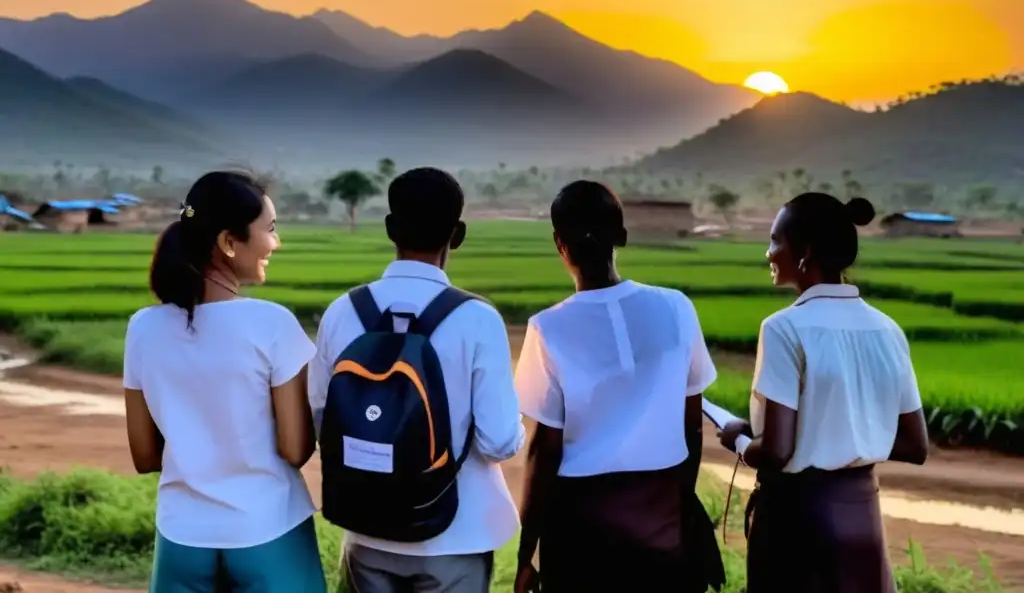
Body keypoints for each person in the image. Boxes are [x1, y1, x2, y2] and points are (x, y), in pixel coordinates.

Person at [308, 166, 524, 593]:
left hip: (366, 530)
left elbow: (321, 419)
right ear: (457, 235)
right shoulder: (477, 320)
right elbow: (499, 442)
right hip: (453, 535)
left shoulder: (343, 311)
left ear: (390, 228)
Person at [514, 180, 723, 593]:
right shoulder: (676, 307)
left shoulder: (548, 327)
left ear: (560, 244)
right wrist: (679, 504)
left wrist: (526, 553)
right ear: (622, 237)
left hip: (581, 525)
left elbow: (543, 451)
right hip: (662, 512)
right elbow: (692, 423)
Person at [123, 170, 325, 592]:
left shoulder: (143, 328)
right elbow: (294, 449)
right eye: (269, 230)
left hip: (181, 538)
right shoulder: (272, 324)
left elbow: (144, 455)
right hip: (268, 531)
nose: (276, 243)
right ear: (229, 243)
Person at [718, 192, 930, 593]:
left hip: (797, 522)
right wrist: (848, 436)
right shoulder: (887, 329)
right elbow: (913, 444)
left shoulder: (784, 327)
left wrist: (739, 440)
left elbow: (777, 452)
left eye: (774, 240)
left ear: (805, 252)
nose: (768, 252)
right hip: (862, 516)